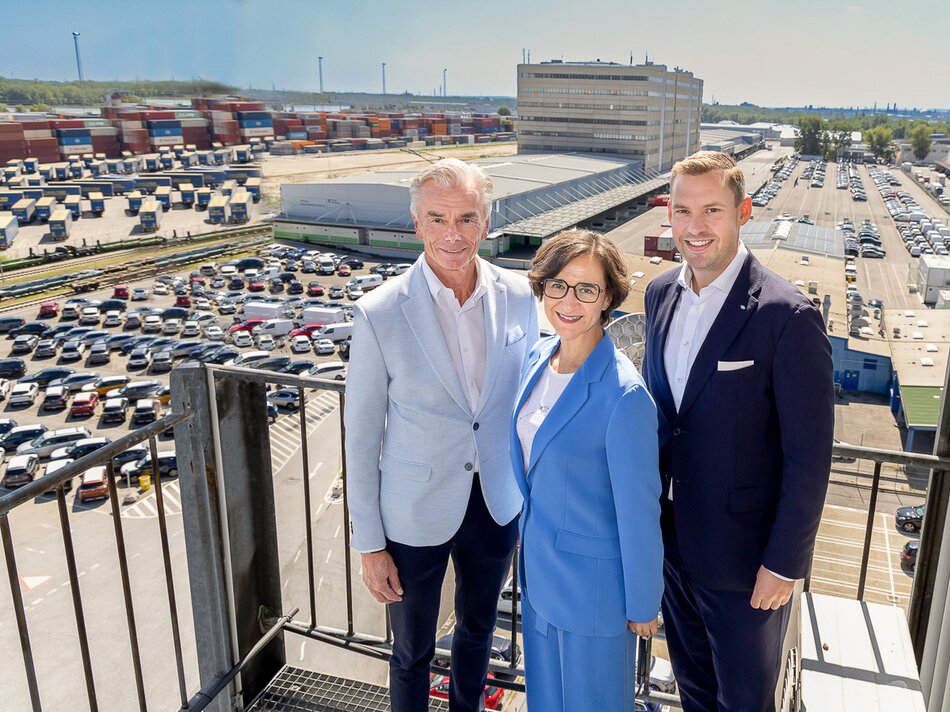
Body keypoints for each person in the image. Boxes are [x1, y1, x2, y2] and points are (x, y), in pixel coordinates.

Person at [642, 151, 834, 712]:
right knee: (694, 690)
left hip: (747, 564)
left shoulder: (786, 315)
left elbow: (809, 457)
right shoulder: (658, 295)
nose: (694, 227)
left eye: (711, 210)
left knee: (746, 702)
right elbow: (666, 420)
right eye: (682, 210)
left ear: (743, 211)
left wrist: (783, 563)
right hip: (673, 546)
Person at [344, 157, 539, 712]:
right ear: (416, 224)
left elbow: (533, 402)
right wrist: (369, 543)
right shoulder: (379, 312)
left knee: (478, 639)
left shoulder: (521, 296)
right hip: (412, 513)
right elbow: (360, 437)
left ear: (487, 221)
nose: (453, 235)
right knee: (411, 653)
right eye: (438, 219)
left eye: (467, 218)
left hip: (495, 505)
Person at [510, 229, 663, 710]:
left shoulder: (625, 394)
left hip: (592, 594)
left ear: (608, 298)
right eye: (558, 284)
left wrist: (643, 604)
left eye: (586, 289)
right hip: (537, 580)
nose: (569, 300)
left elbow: (639, 511)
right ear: (542, 288)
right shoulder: (538, 359)